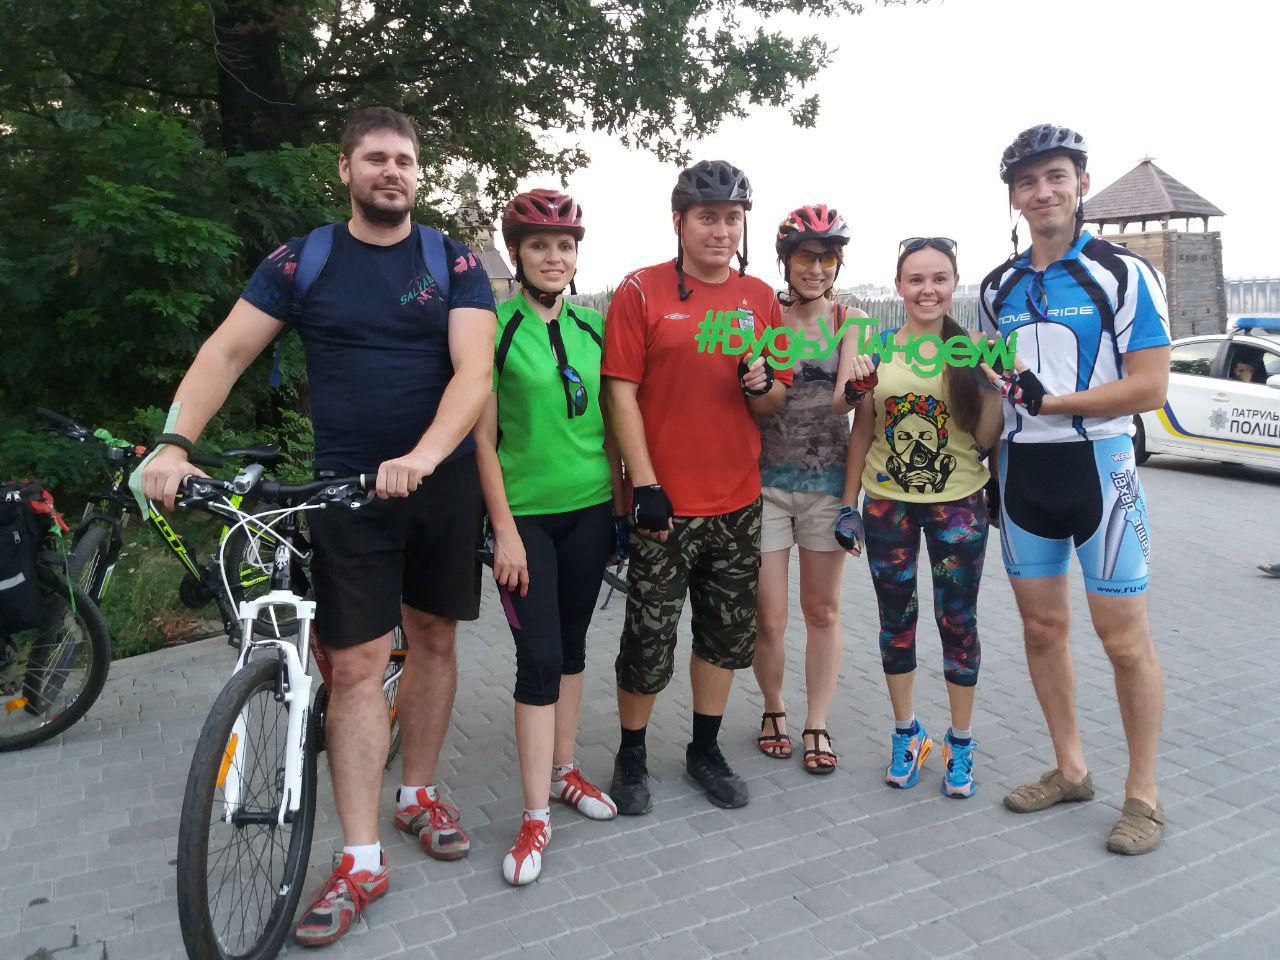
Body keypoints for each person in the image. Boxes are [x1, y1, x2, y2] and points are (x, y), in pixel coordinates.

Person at [140, 107, 497, 943]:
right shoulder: (304, 260)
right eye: (375, 158)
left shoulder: (452, 259)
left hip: (437, 484)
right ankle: (362, 859)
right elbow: (226, 352)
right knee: (359, 663)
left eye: (404, 159)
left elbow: (474, 371)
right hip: (344, 491)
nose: (391, 171)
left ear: (418, 173)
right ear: (345, 169)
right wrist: (174, 443)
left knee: (434, 639)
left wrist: (424, 455)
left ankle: (418, 794)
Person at [979, 124, 1171, 854]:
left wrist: (1054, 403)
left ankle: (1143, 794)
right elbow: (995, 392)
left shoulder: (1122, 274)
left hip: (1100, 470)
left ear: (1081, 183)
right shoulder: (997, 287)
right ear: (1014, 197)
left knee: (1123, 641)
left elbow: (1151, 387)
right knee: (1041, 630)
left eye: (1055, 176)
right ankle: (1070, 769)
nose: (1042, 192)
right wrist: (978, 461)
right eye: (1027, 182)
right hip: (1022, 472)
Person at [603, 160, 792, 813]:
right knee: (648, 640)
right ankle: (631, 754)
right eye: (707, 217)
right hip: (664, 506)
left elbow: (774, 400)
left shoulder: (760, 298)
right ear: (679, 221)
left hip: (738, 503)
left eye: (732, 218)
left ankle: (703, 749)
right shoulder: (641, 291)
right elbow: (620, 392)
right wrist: (644, 484)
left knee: (724, 636)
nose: (721, 230)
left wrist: (760, 386)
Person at [473, 189, 626, 886]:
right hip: (526, 518)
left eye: (564, 245)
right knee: (537, 659)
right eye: (539, 245)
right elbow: (482, 440)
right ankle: (534, 813)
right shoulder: (494, 329)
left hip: (590, 510)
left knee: (572, 645)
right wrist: (502, 530)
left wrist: (621, 509)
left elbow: (616, 422)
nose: (554, 257)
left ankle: (566, 771)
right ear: (516, 253)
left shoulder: (596, 326)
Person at [834, 238, 1003, 796]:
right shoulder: (878, 349)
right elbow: (862, 429)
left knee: (958, 621)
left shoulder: (971, 349)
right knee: (896, 621)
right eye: (916, 279)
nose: (927, 290)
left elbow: (985, 438)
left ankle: (961, 740)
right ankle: (907, 733)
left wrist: (993, 387)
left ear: (953, 284)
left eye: (938, 279)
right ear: (899, 286)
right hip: (888, 506)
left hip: (959, 504)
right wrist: (848, 505)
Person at [753, 204, 867, 773]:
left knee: (822, 611)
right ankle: (773, 707)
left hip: (826, 485)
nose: (815, 269)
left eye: (826, 258)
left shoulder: (852, 319)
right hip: (764, 484)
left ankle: (816, 720)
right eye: (805, 256)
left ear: (837, 264)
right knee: (769, 617)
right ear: (786, 260)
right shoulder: (762, 315)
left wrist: (860, 388)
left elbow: (843, 403)